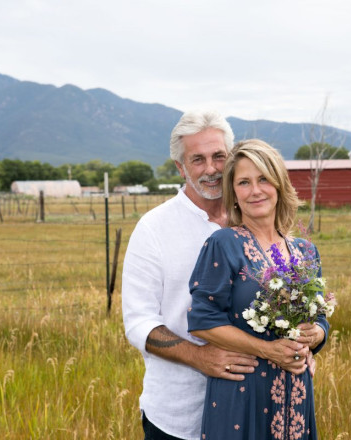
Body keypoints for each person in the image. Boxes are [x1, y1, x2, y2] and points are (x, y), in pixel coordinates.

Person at [122, 110, 259, 440]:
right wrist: (200, 357)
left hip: (255, 406)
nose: (211, 169)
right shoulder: (154, 229)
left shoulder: (257, 219)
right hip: (179, 417)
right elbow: (139, 322)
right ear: (180, 167)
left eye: (218, 156)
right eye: (197, 159)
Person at [188, 139, 330, 439]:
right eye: (244, 182)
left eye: (263, 178)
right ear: (234, 194)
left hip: (297, 392)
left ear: (279, 184)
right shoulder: (223, 243)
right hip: (243, 391)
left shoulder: (305, 252)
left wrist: (316, 335)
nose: (255, 190)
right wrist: (268, 350)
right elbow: (202, 321)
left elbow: (320, 319)